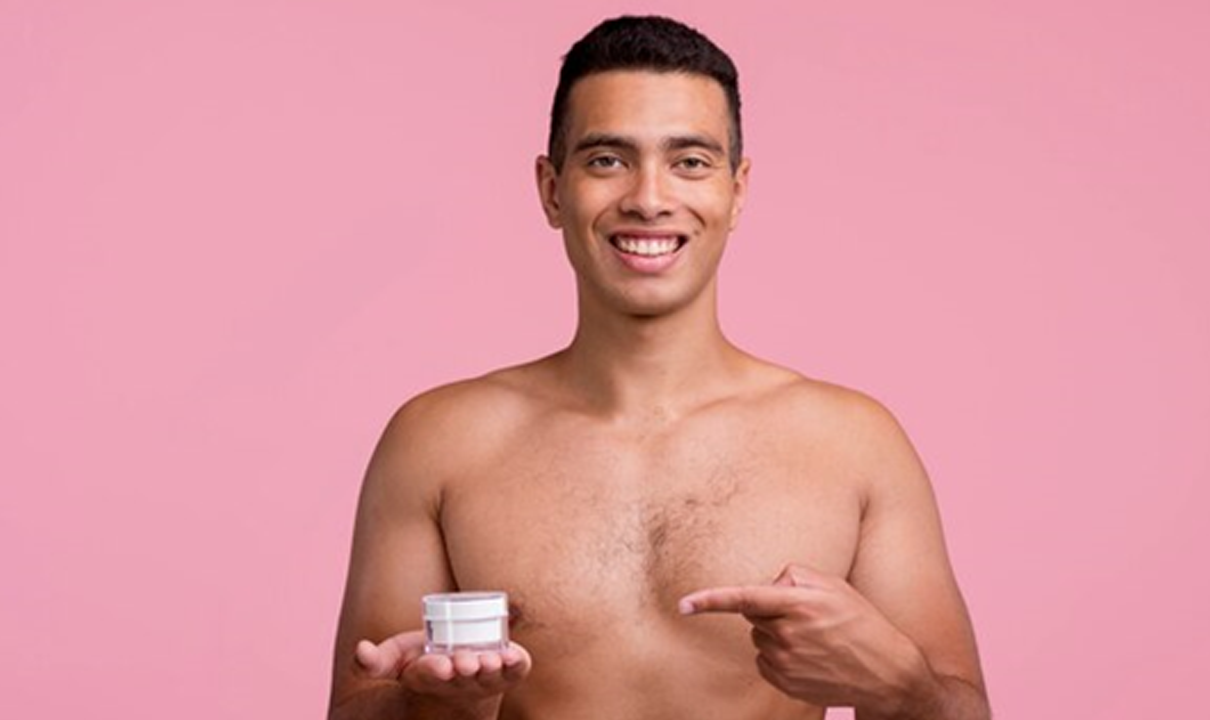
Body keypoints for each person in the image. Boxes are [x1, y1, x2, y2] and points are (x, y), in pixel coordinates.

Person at [328, 15, 989, 720]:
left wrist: (901, 687)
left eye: (691, 162)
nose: (648, 198)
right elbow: (358, 705)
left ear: (737, 190)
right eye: (607, 160)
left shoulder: (853, 442)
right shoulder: (440, 441)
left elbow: (962, 708)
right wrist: (437, 705)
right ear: (552, 189)